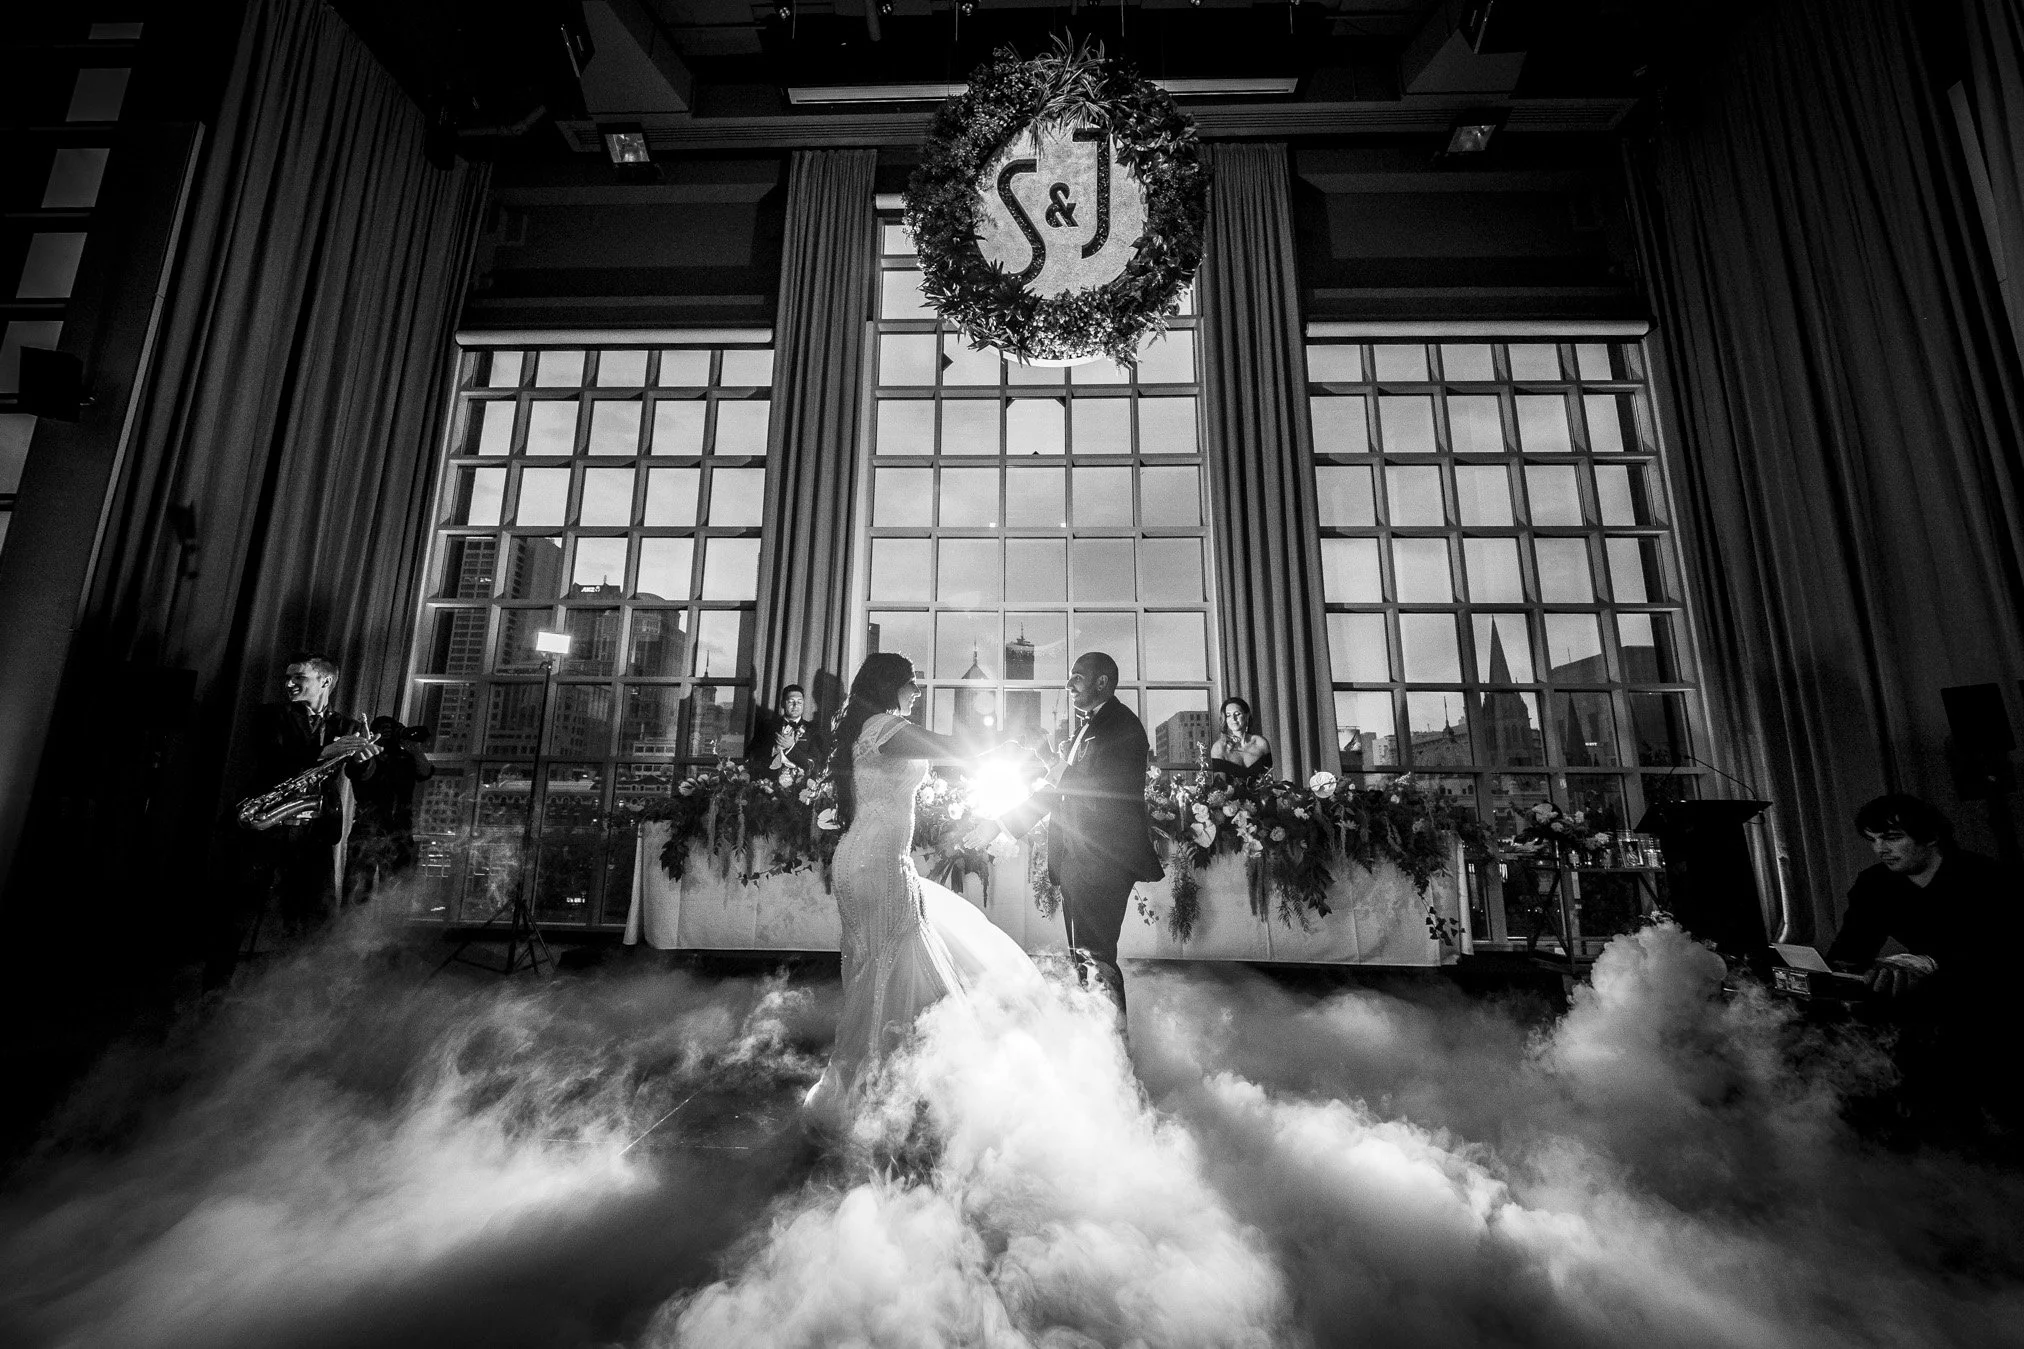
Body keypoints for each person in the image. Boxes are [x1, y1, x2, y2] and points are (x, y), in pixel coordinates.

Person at [803, 653, 1040, 1120]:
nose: (917, 691)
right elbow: (953, 750)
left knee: (878, 968)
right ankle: (884, 1095)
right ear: (891, 685)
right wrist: (1012, 750)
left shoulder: (870, 727)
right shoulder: (883, 728)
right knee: (889, 966)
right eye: (911, 683)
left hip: (867, 858)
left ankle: (883, 1087)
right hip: (876, 864)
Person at [1004, 652, 1165, 1015]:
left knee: (1097, 959)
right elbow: (1059, 791)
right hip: (1079, 860)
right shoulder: (1088, 728)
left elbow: (1097, 793)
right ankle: (1098, 1045)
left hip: (1103, 861)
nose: (1069, 684)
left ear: (1101, 682)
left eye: (1077, 677)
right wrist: (1002, 826)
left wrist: (1048, 756)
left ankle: (1116, 1056)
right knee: (1084, 958)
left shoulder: (1121, 727)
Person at [239, 653, 382, 943]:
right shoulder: (269, 716)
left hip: (315, 833)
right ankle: (218, 988)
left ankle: (302, 984)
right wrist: (321, 753)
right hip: (268, 830)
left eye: (299, 678)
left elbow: (362, 780)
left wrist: (364, 759)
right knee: (238, 916)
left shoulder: (348, 727)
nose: (289, 684)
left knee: (316, 921)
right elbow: (271, 757)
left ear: (325, 681)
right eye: (288, 678)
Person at [1828, 794, 2010, 998]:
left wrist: (1929, 961)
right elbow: (1852, 947)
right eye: (1873, 840)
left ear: (1930, 837)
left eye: (1892, 838)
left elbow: (1994, 950)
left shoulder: (1984, 877)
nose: (1880, 849)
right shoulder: (1874, 883)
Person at [344, 717, 435, 905]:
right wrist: (368, 752)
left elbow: (425, 772)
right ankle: (352, 931)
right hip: (368, 828)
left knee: (397, 892)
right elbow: (358, 771)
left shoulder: (405, 759)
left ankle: (388, 930)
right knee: (357, 893)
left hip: (399, 830)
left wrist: (413, 747)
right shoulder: (367, 757)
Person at [748, 684, 826, 778]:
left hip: (800, 788)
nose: (795, 705)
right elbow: (751, 756)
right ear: (782, 704)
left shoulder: (813, 730)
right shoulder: (767, 726)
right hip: (768, 785)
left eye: (799, 702)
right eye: (791, 701)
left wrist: (791, 748)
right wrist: (773, 750)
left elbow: (815, 765)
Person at [1205, 695, 1274, 781]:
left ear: (1247, 716)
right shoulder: (1219, 748)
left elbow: (1269, 781)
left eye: (1237, 714)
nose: (1233, 719)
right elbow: (1219, 787)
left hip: (1262, 794)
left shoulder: (1261, 743)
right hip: (1230, 795)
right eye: (1228, 715)